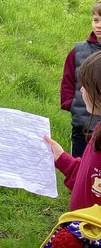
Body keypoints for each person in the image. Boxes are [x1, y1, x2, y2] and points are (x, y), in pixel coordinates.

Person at [46, 51, 101, 212]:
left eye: (87, 86)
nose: (82, 90)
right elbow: (90, 179)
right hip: (81, 229)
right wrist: (62, 159)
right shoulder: (98, 131)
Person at [60, 0, 101, 157]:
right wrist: (70, 104)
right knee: (79, 167)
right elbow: (68, 80)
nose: (98, 25)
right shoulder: (78, 51)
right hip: (82, 125)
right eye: (96, 20)